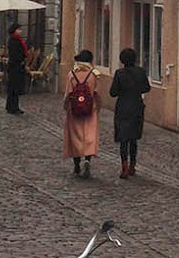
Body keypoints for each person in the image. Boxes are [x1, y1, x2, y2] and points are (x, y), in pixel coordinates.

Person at [109, 46, 150, 178]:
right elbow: (146, 88)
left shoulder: (119, 73)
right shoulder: (141, 72)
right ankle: (132, 165)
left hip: (123, 108)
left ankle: (124, 167)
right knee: (133, 138)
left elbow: (113, 92)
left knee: (123, 139)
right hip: (136, 107)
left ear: (122, 60)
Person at [63, 49, 100, 177]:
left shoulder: (72, 74)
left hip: (74, 109)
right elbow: (97, 93)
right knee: (89, 136)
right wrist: (98, 107)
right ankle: (87, 160)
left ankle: (77, 165)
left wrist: (66, 106)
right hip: (90, 109)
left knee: (75, 137)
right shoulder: (93, 75)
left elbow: (68, 93)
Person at [5, 23, 28, 115]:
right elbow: (15, 54)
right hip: (15, 67)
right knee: (14, 87)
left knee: (15, 88)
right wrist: (21, 59)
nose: (20, 31)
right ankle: (13, 107)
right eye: (18, 29)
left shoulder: (17, 40)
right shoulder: (14, 40)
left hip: (17, 66)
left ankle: (13, 106)